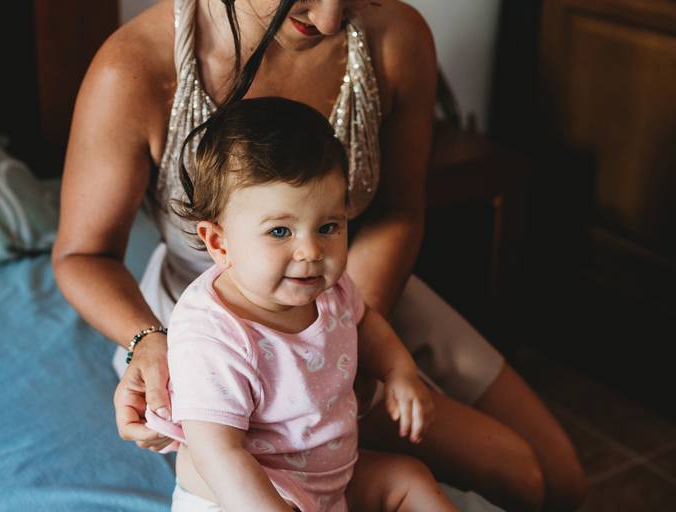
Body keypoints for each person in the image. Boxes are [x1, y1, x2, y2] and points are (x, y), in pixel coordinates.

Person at [52, 0, 586, 510]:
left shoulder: (398, 40)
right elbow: (83, 254)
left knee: (557, 480)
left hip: (351, 285)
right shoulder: (135, 69)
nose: (330, 19)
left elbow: (400, 209)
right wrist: (148, 340)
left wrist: (344, 345)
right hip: (222, 322)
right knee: (516, 473)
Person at [144, 95, 456, 511]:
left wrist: (400, 372)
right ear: (219, 242)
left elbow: (366, 324)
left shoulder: (330, 287)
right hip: (248, 495)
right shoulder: (213, 333)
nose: (311, 251)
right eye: (279, 232)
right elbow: (217, 453)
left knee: (408, 479)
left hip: (329, 481)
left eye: (328, 226)